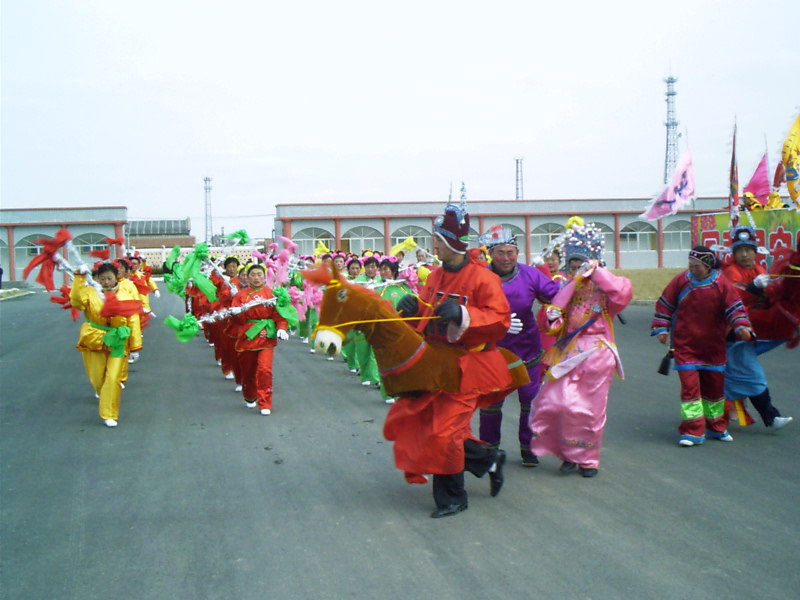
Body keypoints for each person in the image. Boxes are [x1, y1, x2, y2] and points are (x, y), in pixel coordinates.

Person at [386, 199, 511, 518]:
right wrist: (413, 311)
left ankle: (453, 497)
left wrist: (465, 314)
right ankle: (489, 460)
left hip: (468, 367)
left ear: (451, 244)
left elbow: (500, 320)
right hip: (436, 367)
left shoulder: (484, 279)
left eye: (437, 241)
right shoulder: (434, 277)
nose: (433, 247)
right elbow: (427, 318)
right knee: (435, 428)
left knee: (445, 434)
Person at [529, 223, 632, 476]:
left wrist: (596, 273)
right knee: (560, 403)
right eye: (574, 266)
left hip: (597, 352)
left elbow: (623, 293)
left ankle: (588, 459)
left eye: (582, 265)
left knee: (590, 410)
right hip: (568, 352)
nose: (577, 271)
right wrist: (555, 319)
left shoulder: (606, 288)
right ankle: (567, 453)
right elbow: (554, 321)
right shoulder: (567, 287)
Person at [651, 246, 754, 446]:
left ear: (708, 266)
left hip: (713, 346)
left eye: (697, 266)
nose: (693, 269)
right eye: (691, 265)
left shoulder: (722, 284)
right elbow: (665, 303)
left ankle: (716, 426)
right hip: (685, 345)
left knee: (714, 390)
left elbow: (735, 308)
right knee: (690, 390)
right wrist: (662, 328)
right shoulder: (681, 281)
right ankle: (692, 431)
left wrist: (741, 326)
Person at [477, 225, 559, 466]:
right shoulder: (479, 277)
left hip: (527, 351)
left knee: (530, 402)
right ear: (491, 253)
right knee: (491, 406)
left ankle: (529, 447)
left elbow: (555, 294)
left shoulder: (529, 274)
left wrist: (583, 281)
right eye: (500, 252)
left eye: (511, 252)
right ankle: (488, 452)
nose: (506, 258)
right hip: (492, 354)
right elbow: (468, 309)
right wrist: (494, 323)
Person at [721, 226, 792, 430]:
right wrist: (754, 288)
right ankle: (770, 417)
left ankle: (720, 415)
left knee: (739, 374)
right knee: (751, 374)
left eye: (748, 249)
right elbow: (732, 302)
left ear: (755, 251)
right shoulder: (730, 272)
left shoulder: (760, 270)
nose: (744, 254)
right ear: (734, 253)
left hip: (753, 328)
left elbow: (766, 297)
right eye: (740, 250)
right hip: (735, 332)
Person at [70, 262, 142, 427]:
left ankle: (109, 413)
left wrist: (135, 345)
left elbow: (133, 320)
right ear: (96, 278)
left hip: (118, 340)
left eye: (109, 278)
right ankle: (99, 391)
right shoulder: (89, 293)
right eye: (102, 279)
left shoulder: (125, 294)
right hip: (95, 337)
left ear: (116, 276)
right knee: (97, 377)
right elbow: (76, 303)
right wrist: (79, 279)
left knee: (113, 377)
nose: (106, 282)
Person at [231, 263, 289, 415]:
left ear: (264, 277)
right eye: (253, 275)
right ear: (247, 277)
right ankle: (250, 395)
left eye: (259, 274)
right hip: (247, 337)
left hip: (266, 337)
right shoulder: (240, 296)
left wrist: (282, 328)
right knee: (248, 371)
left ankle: (265, 403)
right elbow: (237, 321)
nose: (256, 278)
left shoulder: (272, 294)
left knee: (265, 370)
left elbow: (280, 315)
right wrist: (236, 312)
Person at [377, 256, 414, 404]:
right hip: (384, 330)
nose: (382, 272)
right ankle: (387, 393)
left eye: (385, 269)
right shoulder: (376, 287)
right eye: (381, 269)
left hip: (403, 330)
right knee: (385, 361)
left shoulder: (403, 287)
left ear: (393, 271)